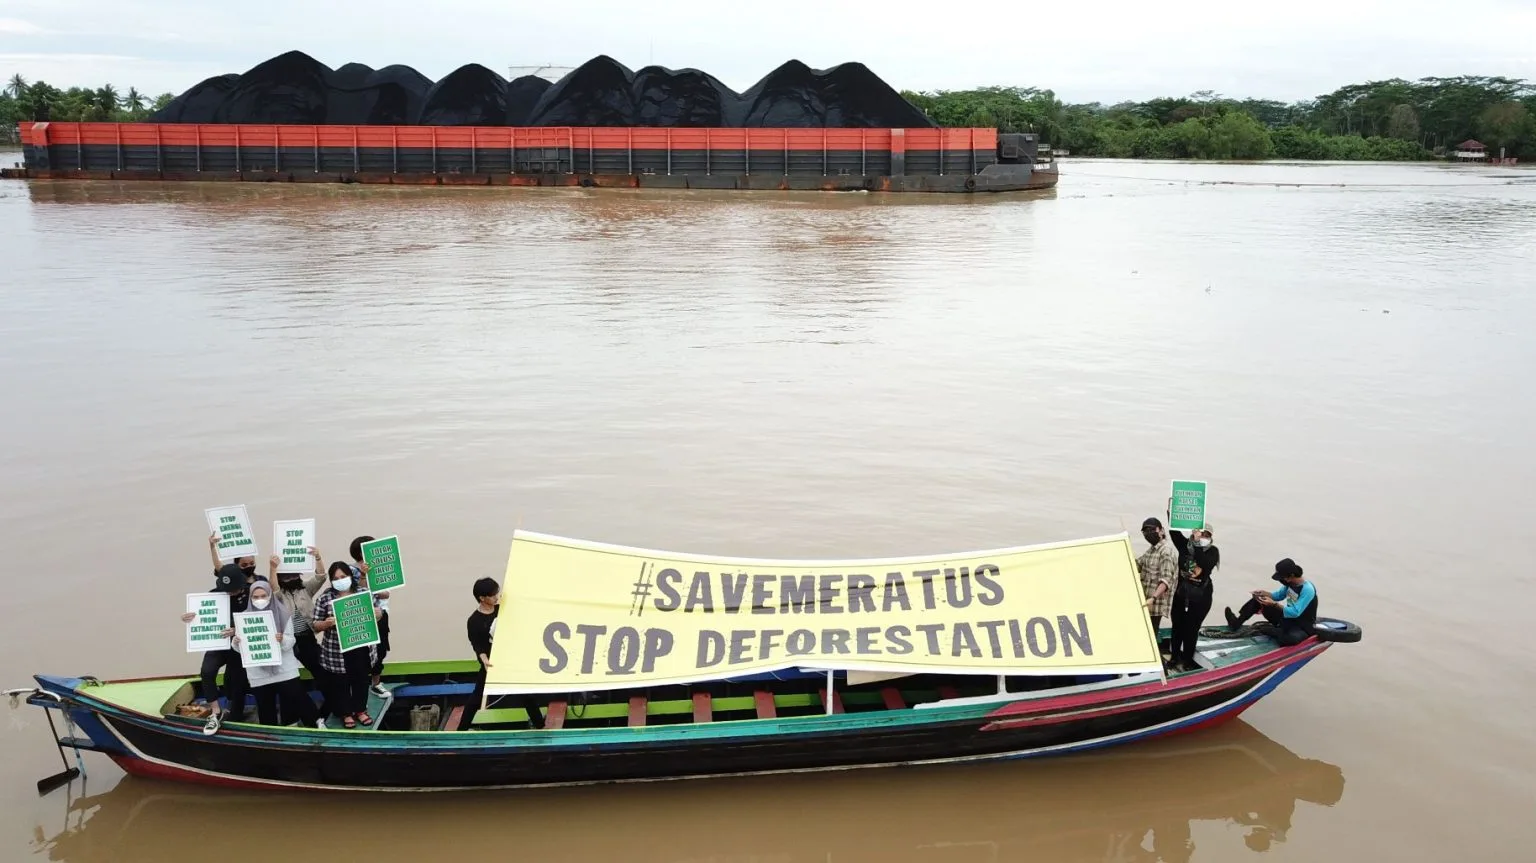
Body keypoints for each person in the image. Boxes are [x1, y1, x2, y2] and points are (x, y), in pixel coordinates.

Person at [460, 577, 545, 731]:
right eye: (493, 595)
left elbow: (522, 608)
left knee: (526, 694)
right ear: (482, 598)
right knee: (477, 697)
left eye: (497, 593)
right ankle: (461, 730)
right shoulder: (474, 621)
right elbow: (478, 646)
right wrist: (485, 661)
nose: (496, 597)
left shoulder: (503, 609)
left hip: (510, 660)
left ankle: (540, 726)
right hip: (491, 664)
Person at [237, 579, 323, 729]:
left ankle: (316, 725)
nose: (259, 600)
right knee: (265, 709)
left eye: (263, 595)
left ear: (270, 595)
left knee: (298, 698)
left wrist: (282, 639)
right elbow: (243, 650)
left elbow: (291, 641)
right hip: (259, 674)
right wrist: (236, 642)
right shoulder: (244, 618)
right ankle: (272, 738)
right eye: (255, 597)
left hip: (284, 669)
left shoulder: (283, 613)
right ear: (250, 598)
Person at [180, 556, 249, 735]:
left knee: (237, 681)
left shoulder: (251, 594)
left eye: (233, 590)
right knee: (207, 671)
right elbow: (201, 615)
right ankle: (215, 711)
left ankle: (236, 715)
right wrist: (189, 619)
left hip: (239, 646)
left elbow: (260, 620)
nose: (230, 593)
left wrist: (236, 629)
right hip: (218, 644)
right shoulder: (212, 595)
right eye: (227, 590)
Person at [311, 561, 383, 729]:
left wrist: (378, 613)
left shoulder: (364, 593)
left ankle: (360, 710)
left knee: (361, 680)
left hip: (362, 646)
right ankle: (345, 713)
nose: (340, 580)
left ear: (350, 576)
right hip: (337, 650)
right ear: (331, 580)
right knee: (339, 683)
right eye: (336, 578)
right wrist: (326, 624)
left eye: (343, 576)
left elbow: (377, 613)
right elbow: (315, 625)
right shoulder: (325, 598)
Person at [1223, 558, 1317, 646]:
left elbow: (1295, 612)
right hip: (1287, 619)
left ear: (1291, 576)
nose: (1281, 580)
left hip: (1301, 625)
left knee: (1291, 638)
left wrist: (1274, 604)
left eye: (1282, 577)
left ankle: (1276, 631)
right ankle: (1236, 623)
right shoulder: (1290, 584)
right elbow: (1278, 596)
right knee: (1259, 600)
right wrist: (1264, 593)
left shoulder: (1307, 589)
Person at [271, 547, 328, 684]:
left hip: (306, 637)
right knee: (289, 676)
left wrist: (318, 557)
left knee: (320, 669)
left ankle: (331, 699)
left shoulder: (305, 588)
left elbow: (321, 577)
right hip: (287, 640)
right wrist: (273, 568)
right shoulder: (279, 595)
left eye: (294, 575)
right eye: (286, 577)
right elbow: (274, 588)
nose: (290, 579)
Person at [348, 535, 392, 699]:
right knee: (360, 652)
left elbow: (386, 593)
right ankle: (358, 687)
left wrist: (377, 590)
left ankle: (376, 683)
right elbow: (352, 591)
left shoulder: (378, 568)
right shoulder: (350, 570)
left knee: (380, 650)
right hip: (360, 616)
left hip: (380, 614)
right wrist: (364, 576)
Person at [1137, 517, 1178, 635]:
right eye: (1145, 531)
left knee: (1150, 635)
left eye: (1151, 530)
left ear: (1161, 530)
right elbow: (1137, 565)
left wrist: (1153, 598)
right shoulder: (1151, 551)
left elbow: (1166, 580)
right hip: (1145, 603)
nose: (1148, 533)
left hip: (1155, 605)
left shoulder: (1166, 551)